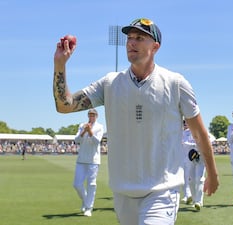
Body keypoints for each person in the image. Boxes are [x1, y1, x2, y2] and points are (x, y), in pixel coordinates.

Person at [53, 17, 219, 225]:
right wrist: (60, 64)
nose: (131, 42)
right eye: (129, 38)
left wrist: (212, 173)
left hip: (162, 191)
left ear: (155, 47)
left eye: (140, 38)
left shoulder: (176, 83)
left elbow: (199, 133)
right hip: (123, 192)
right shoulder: (110, 83)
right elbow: (64, 105)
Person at [73, 108, 104, 217]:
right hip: (81, 159)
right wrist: (83, 131)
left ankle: (88, 208)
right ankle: (86, 201)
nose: (91, 117)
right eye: (90, 115)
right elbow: (76, 140)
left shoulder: (99, 127)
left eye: (93, 115)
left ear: (96, 116)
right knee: (77, 184)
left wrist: (90, 131)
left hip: (93, 160)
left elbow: (96, 142)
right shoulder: (82, 126)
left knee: (91, 184)